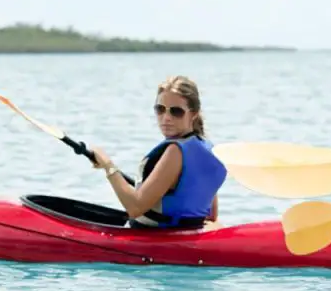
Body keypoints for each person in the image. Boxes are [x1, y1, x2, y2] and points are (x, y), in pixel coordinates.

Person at [88, 75, 228, 230]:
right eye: (160, 109)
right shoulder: (211, 150)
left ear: (194, 114)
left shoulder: (175, 152)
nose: (166, 118)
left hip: (153, 239)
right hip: (186, 237)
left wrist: (108, 166)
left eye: (176, 111)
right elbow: (211, 216)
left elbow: (135, 208)